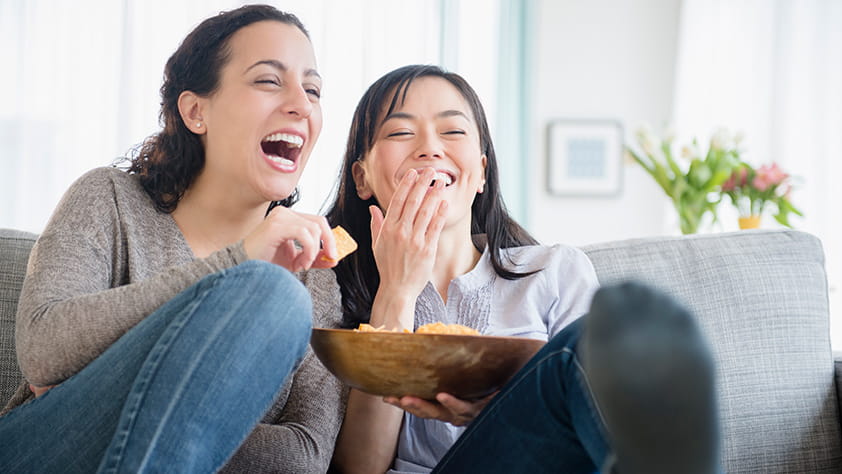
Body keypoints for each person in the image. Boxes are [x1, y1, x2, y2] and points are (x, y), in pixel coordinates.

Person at [0, 5, 346, 473]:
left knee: (280, 295)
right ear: (196, 111)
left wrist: (114, 389)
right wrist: (238, 261)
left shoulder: (316, 275)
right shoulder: (109, 198)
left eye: (313, 90)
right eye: (268, 80)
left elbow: (301, 457)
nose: (302, 105)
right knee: (272, 293)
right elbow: (43, 349)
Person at [324, 64, 720, 474]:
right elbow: (361, 467)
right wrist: (397, 290)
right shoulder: (334, 289)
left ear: (480, 172)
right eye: (400, 132)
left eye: (453, 131)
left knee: (602, 336)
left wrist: (502, 408)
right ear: (362, 177)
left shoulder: (554, 271)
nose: (430, 148)